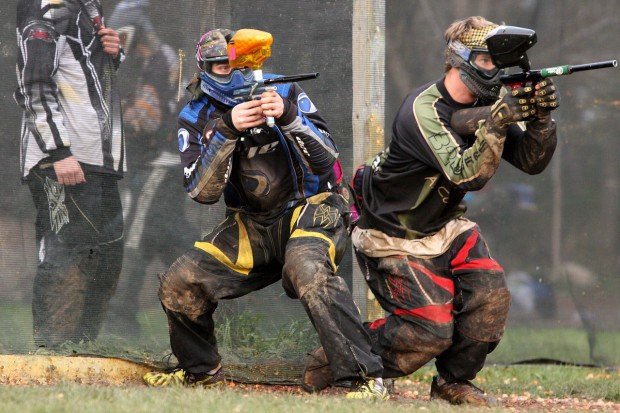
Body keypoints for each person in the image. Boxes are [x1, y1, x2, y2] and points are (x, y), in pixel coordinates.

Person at [303, 16, 559, 406]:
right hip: (390, 231)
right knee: (428, 332)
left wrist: (540, 119)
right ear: (460, 59)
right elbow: (466, 173)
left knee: (491, 300)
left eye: (498, 60)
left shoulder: (487, 103)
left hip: (443, 225)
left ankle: (453, 382)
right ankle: (342, 355)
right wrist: (500, 119)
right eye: (487, 59)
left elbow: (530, 161)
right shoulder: (422, 109)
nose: (495, 68)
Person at [142, 28, 387, 400]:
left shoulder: (283, 90)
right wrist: (226, 130)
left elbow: (328, 162)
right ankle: (201, 371)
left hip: (313, 207)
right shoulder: (195, 115)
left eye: (237, 63)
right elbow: (200, 192)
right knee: (181, 280)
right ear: (204, 70)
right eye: (221, 67)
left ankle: (364, 378)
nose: (231, 72)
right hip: (252, 225)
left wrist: (288, 117)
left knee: (306, 268)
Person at [14, 0, 124, 347]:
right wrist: (59, 152)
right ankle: (53, 352)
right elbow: (33, 88)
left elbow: (85, 83)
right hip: (62, 160)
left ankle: (83, 347)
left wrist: (113, 54)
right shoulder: (48, 16)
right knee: (67, 251)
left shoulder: (86, 16)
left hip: (97, 162)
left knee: (106, 255)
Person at [104, 0, 199, 338]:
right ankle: (214, 294)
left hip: (163, 165)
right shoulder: (160, 61)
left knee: (134, 234)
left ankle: (120, 320)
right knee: (172, 239)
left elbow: (148, 119)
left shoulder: (159, 64)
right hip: (165, 165)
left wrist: (118, 112)